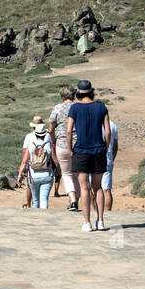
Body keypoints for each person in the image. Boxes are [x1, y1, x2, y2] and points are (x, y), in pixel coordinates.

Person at [66, 80, 111, 232]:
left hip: (81, 150)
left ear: (78, 93)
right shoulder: (101, 106)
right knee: (98, 187)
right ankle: (100, 220)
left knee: (84, 188)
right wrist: (105, 147)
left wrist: (70, 148)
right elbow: (108, 131)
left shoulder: (75, 108)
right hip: (98, 150)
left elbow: (68, 131)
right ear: (91, 91)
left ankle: (87, 222)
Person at [17, 116, 59, 210]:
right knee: (44, 200)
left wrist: (20, 175)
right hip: (47, 175)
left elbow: (24, 161)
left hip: (33, 176)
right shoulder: (48, 140)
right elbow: (55, 159)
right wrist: (58, 172)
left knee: (35, 200)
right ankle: (43, 220)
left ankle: (35, 220)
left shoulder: (30, 141)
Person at [49, 85, 78, 210]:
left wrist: (54, 139)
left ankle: (72, 200)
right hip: (78, 144)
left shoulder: (57, 108)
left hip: (62, 144)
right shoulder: (78, 107)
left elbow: (50, 128)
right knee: (78, 174)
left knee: (66, 174)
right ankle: (77, 199)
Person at [100, 116, 119, 215]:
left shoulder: (94, 123)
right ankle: (108, 213)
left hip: (94, 157)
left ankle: (95, 212)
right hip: (108, 158)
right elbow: (115, 146)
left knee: (92, 187)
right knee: (106, 189)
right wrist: (112, 158)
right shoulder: (112, 125)